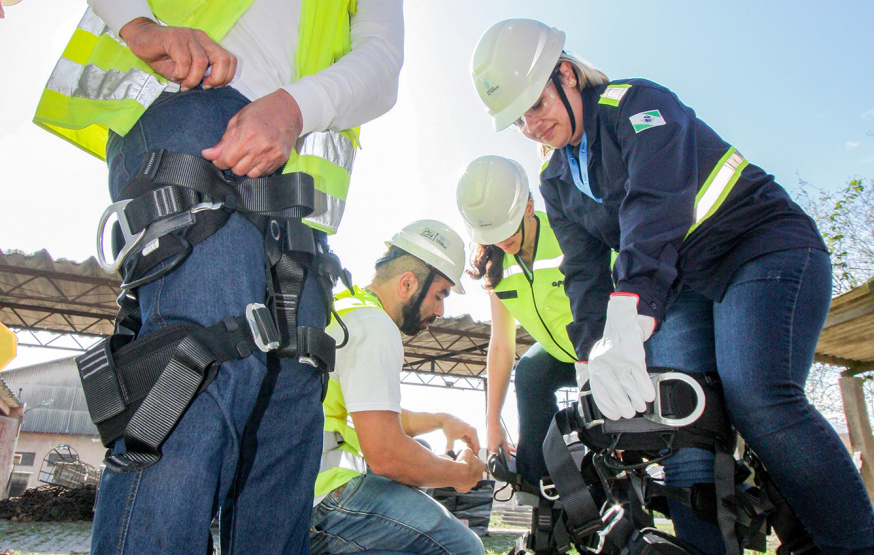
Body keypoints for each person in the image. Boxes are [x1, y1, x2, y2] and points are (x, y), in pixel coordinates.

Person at [469, 18, 874, 555]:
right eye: (518, 119)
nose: (531, 124)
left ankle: (855, 549)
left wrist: (633, 314)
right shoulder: (556, 179)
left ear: (567, 75)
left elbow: (657, 202)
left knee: (757, 394)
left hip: (762, 247)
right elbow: (584, 273)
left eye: (536, 103)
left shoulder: (638, 104)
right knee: (678, 424)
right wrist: (593, 354)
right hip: (687, 282)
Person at [32, 1, 404, 553]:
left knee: (292, 400)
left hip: (294, 165)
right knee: (198, 366)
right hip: (188, 104)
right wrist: (139, 26)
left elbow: (382, 58)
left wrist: (292, 109)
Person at [311, 219, 485, 555]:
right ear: (407, 283)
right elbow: (388, 456)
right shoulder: (377, 329)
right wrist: (459, 475)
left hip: (301, 491)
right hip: (325, 502)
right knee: (462, 547)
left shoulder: (348, 309)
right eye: (439, 294)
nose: (441, 310)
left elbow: (374, 413)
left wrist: (440, 419)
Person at [456, 155, 578, 488]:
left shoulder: (567, 230)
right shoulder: (497, 265)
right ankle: (538, 486)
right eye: (491, 231)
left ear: (528, 205)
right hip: (561, 353)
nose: (502, 240)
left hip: (602, 344)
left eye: (506, 226)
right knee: (530, 373)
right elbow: (501, 344)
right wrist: (492, 419)